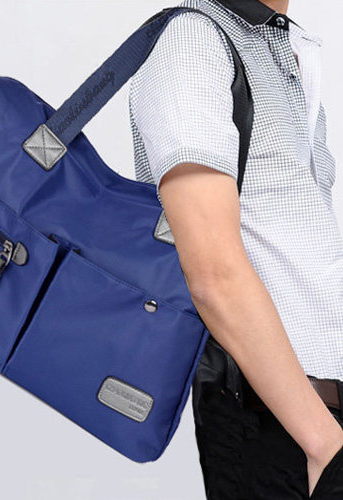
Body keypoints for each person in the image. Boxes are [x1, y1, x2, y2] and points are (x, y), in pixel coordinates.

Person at [129, 0, 343, 498]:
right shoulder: (194, 40)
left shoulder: (278, 46)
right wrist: (324, 444)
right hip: (282, 428)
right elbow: (212, 274)